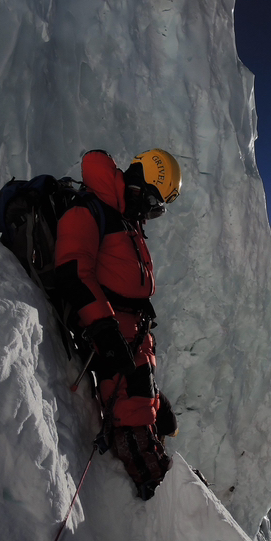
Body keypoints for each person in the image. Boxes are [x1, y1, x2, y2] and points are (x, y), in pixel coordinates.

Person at [54, 148, 181, 500]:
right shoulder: (91, 210)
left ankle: (157, 471)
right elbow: (72, 270)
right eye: (155, 203)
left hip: (134, 337)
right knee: (130, 412)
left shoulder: (124, 220)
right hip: (112, 334)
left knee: (151, 405)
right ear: (141, 183)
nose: (152, 214)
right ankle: (153, 493)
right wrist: (103, 329)